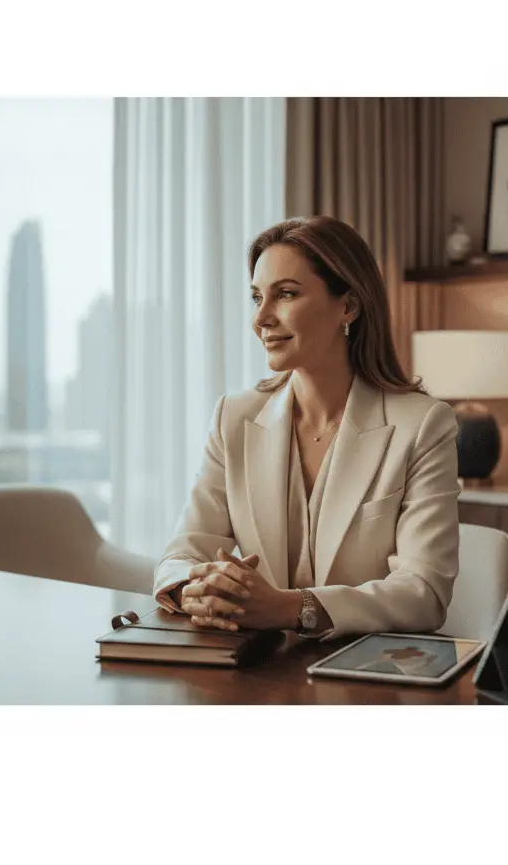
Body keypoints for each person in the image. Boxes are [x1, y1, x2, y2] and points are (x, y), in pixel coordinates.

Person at [152, 215, 461, 641]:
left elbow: (424, 593)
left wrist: (292, 608)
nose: (262, 318)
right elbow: (181, 554)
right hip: (257, 674)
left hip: (364, 680)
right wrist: (197, 590)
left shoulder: (423, 425)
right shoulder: (234, 418)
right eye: (257, 297)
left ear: (348, 306)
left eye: (286, 295)